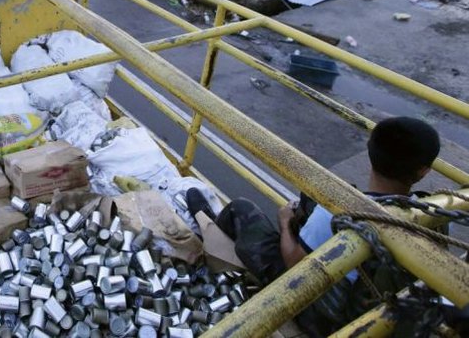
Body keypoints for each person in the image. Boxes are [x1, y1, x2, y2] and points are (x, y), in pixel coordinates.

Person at [187, 116, 441, 336]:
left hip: (320, 317)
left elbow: (295, 266)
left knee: (241, 209)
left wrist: (285, 223)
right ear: (423, 171)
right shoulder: (431, 215)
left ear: (370, 152)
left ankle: (206, 224)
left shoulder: (337, 210)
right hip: (374, 316)